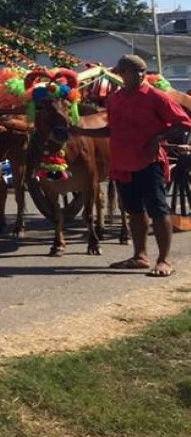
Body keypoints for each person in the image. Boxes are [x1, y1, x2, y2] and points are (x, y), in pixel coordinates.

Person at [71, 54, 191, 278]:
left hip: (149, 162)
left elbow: (183, 123)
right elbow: (110, 130)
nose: (140, 74)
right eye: (133, 71)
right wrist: (80, 131)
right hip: (123, 163)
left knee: (158, 210)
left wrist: (158, 138)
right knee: (134, 210)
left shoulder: (156, 96)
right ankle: (140, 256)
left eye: (142, 70)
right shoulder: (115, 99)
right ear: (121, 73)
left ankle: (164, 260)